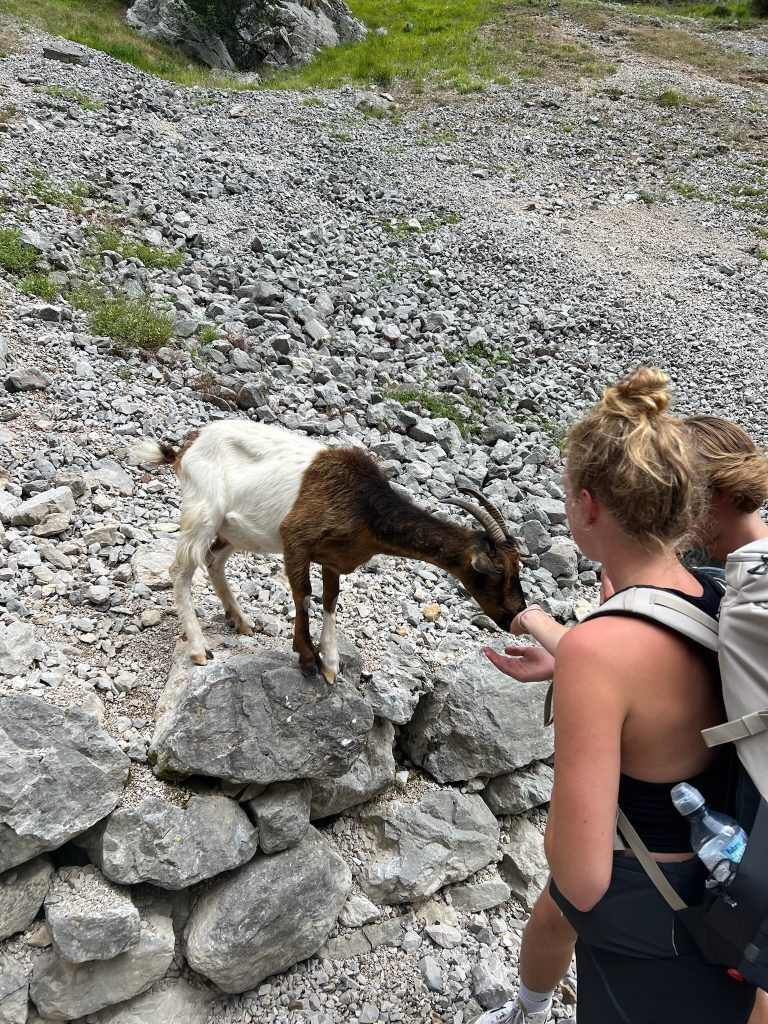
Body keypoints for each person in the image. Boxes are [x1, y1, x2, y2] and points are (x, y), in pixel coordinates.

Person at [472, 373, 767, 1024]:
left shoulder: (598, 651)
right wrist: (569, 654)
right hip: (726, 888)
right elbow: (660, 679)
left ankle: (525, 1009)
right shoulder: (718, 594)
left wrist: (579, 670)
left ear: (588, 506)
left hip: (650, 921)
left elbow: (581, 880)